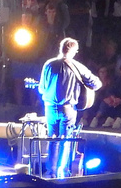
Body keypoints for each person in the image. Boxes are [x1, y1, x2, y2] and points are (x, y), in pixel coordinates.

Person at [37, 37, 100, 175]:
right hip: (67, 108)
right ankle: (62, 171)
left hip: (49, 108)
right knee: (65, 139)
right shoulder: (77, 66)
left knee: (52, 138)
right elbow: (97, 83)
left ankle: (50, 171)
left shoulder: (48, 64)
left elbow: (41, 88)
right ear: (73, 51)